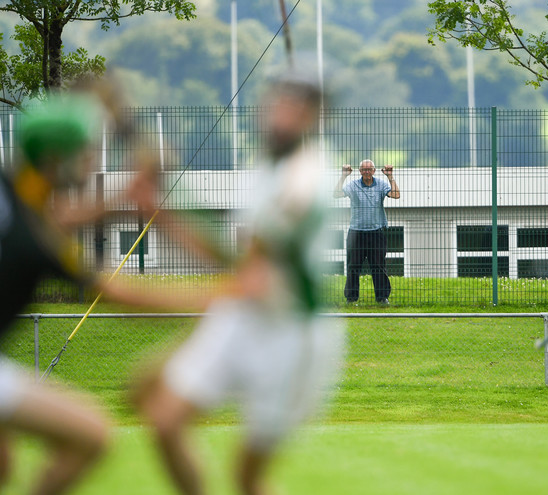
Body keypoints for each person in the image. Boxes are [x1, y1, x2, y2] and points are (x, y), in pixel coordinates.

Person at [133, 70, 344, 495]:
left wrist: (147, 299)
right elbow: (233, 261)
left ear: (314, 117)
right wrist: (162, 209)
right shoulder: (266, 166)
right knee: (163, 417)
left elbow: (252, 276)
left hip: (291, 335)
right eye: (275, 103)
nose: (277, 115)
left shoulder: (308, 177)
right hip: (241, 318)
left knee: (247, 478)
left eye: (293, 108)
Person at [0, 92, 156, 495]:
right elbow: (117, 293)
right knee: (92, 434)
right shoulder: (34, 236)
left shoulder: (16, 192)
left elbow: (55, 217)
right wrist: (222, 296)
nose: (91, 161)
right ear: (55, 158)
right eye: (85, 152)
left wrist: (123, 198)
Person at [333, 159, 400, 305]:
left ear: (374, 171)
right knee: (353, 266)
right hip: (356, 232)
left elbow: (396, 195)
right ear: (360, 171)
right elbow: (336, 194)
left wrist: (390, 176)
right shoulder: (353, 185)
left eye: (369, 169)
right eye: (364, 170)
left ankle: (382, 298)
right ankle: (351, 298)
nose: (367, 172)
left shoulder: (381, 184)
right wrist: (344, 176)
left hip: (376, 231)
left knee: (378, 266)